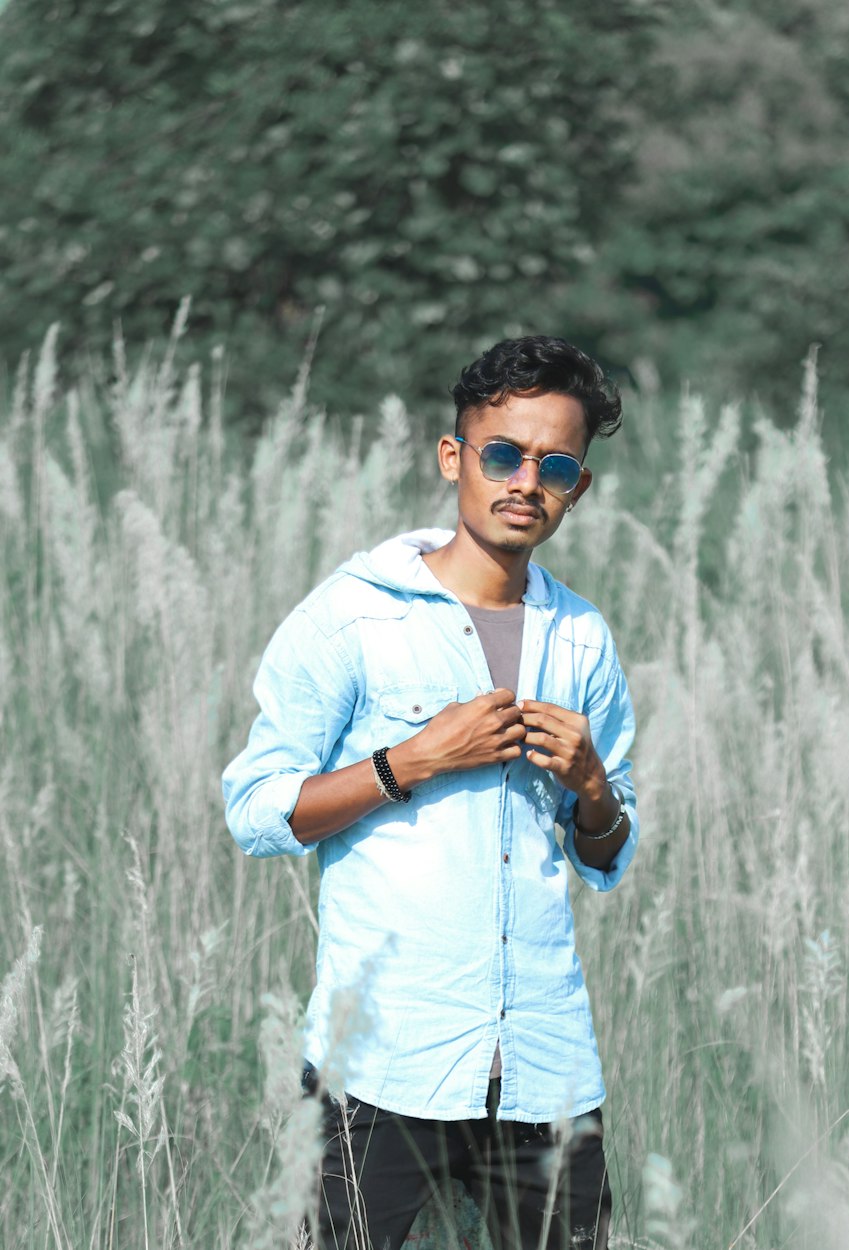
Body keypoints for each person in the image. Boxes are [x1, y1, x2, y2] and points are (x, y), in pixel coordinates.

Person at [222, 335, 640, 1250]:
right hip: (379, 1060)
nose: (525, 481)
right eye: (503, 455)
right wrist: (406, 762)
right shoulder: (355, 614)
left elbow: (607, 853)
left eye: (556, 465)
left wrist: (594, 787)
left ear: (578, 488)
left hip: (543, 1065)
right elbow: (255, 810)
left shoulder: (582, 640)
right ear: (455, 457)